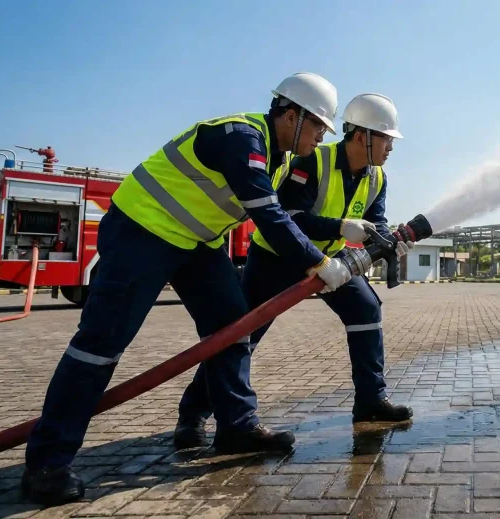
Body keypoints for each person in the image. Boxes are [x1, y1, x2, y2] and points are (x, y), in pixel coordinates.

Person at [22, 73, 358, 506]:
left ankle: (236, 427)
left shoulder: (277, 157)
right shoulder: (242, 138)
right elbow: (270, 216)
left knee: (234, 329)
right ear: (291, 116)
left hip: (198, 243)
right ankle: (47, 463)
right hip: (144, 229)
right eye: (317, 126)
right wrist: (320, 263)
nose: (321, 137)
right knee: (100, 345)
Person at [173, 93, 412, 449]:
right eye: (386, 138)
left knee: (366, 309)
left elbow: (374, 222)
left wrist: (387, 240)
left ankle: (371, 401)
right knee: (241, 335)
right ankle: (192, 415)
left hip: (332, 260)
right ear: (362, 136)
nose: (391, 147)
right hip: (278, 258)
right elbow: (291, 217)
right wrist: (339, 227)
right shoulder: (312, 160)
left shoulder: (378, 178)